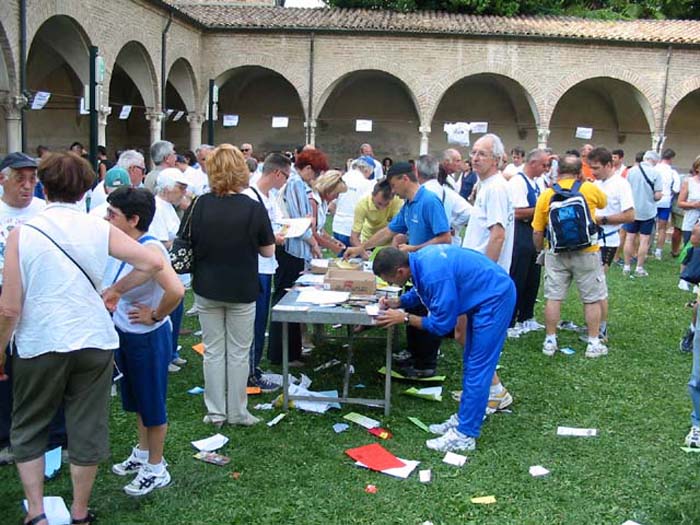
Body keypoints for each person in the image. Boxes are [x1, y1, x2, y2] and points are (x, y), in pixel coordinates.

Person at [0, 152, 163, 525]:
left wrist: (0, 350)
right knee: (87, 425)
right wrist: (115, 290)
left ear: (44, 186)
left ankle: (37, 512)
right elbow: (153, 262)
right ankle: (79, 512)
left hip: (41, 339)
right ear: (86, 188)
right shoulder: (98, 227)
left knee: (29, 424)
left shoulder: (23, 233)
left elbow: (9, 308)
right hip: (93, 337)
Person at [373, 246, 515, 452]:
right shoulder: (419, 261)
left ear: (400, 271)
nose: (390, 285)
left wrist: (404, 318)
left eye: (390, 280)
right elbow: (422, 291)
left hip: (495, 299)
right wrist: (399, 302)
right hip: (486, 293)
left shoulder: (433, 274)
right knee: (471, 363)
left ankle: (465, 435)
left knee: (478, 367)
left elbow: (442, 325)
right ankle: (464, 419)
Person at [189, 144, 275, 427]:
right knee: (238, 352)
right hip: (241, 287)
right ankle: (237, 411)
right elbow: (268, 251)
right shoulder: (253, 207)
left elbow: (187, 240)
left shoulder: (199, 204)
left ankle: (215, 411)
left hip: (207, 285)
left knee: (213, 351)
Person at [106, 187, 184, 496]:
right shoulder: (125, 246)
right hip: (126, 334)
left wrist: (154, 315)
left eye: (112, 214)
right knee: (138, 399)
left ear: (134, 219)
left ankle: (156, 466)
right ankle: (142, 452)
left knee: (152, 402)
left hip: (148, 338)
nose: (106, 219)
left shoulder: (151, 249)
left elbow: (176, 291)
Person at [345, 162, 451, 378]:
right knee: (414, 309)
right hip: (414, 269)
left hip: (432, 269)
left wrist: (413, 248)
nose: (392, 191)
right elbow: (388, 231)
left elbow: (445, 238)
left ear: (405, 179)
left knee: (426, 313)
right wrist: (361, 247)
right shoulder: (409, 205)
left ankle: (426, 364)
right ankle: (414, 354)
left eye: (394, 185)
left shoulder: (429, 201)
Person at [0, 153, 51, 467]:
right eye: (20, 179)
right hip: (3, 296)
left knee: (45, 367)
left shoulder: (45, 211)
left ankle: (54, 435)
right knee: (3, 368)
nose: (28, 186)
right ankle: (6, 436)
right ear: (2, 179)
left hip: (39, 295)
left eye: (33, 179)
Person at [532, 154, 609, 358]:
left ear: (557, 171)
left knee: (553, 297)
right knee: (591, 299)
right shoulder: (589, 189)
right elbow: (603, 203)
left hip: (556, 252)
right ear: (580, 172)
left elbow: (537, 230)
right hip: (587, 251)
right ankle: (593, 342)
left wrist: (540, 250)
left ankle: (550, 340)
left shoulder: (547, 194)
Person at [458, 133, 513, 412]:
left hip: (483, 278)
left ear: (497, 159)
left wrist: (484, 276)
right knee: (463, 332)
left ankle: (495, 390)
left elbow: (498, 235)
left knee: (472, 336)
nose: (475, 158)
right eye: (474, 152)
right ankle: (479, 387)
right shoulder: (487, 186)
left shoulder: (495, 188)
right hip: (476, 274)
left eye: (482, 153)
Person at [267, 149, 328, 367]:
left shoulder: (299, 184)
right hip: (290, 250)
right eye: (316, 172)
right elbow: (300, 220)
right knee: (284, 301)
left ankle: (293, 351)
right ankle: (280, 353)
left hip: (295, 249)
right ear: (308, 168)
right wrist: (314, 243)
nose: (316, 177)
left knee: (292, 301)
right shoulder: (295, 184)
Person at [242, 153, 289, 392]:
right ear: (277, 173)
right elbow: (250, 233)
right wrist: (273, 238)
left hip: (267, 264)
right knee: (254, 322)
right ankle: (249, 374)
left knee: (261, 322)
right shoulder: (250, 196)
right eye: (286, 176)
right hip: (256, 266)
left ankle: (254, 367)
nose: (286, 182)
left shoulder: (269, 197)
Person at [588, 147, 634, 343]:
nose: (593, 172)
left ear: (609, 165)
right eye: (591, 168)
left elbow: (630, 215)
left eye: (596, 168)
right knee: (591, 284)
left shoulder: (621, 185)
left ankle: (601, 329)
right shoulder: (595, 183)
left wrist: (602, 219)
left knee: (598, 285)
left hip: (607, 239)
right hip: (592, 239)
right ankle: (594, 324)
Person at [150, 168, 190, 373]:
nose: (183, 192)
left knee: (176, 314)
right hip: (167, 272)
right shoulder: (157, 208)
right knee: (168, 316)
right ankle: (165, 356)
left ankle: (172, 352)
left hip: (176, 271)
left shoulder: (168, 207)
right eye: (180, 188)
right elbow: (160, 242)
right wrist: (183, 243)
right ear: (167, 188)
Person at [507, 148, 549, 337]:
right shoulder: (517, 182)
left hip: (535, 235)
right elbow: (517, 212)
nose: (546, 169)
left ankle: (527, 316)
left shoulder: (538, 182)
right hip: (521, 235)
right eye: (543, 165)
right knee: (518, 277)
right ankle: (510, 320)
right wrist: (541, 210)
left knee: (533, 277)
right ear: (533, 163)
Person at [416, 154, 471, 246]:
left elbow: (469, 212)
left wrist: (453, 225)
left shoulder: (422, 193)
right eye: (457, 161)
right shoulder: (447, 191)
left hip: (431, 243)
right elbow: (469, 211)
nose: (459, 164)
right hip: (447, 244)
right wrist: (453, 225)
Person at [623, 150, 662, 277]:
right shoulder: (656, 173)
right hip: (648, 211)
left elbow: (626, 189)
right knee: (644, 240)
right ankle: (639, 268)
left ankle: (626, 266)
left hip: (632, 210)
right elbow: (657, 195)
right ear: (655, 161)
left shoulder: (631, 171)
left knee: (629, 237)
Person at [331, 158, 375, 250]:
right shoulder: (367, 184)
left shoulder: (342, 179)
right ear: (366, 170)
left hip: (337, 226)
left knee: (341, 256)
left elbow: (331, 206)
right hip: (354, 230)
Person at [349, 180, 403, 248]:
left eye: (386, 204)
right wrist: (362, 250)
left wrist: (392, 250)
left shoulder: (397, 201)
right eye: (379, 203)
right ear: (372, 195)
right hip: (368, 241)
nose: (382, 208)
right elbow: (354, 237)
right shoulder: (362, 205)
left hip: (389, 242)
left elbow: (398, 230)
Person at [311, 170, 348, 255]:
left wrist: (333, 240)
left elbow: (320, 229)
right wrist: (332, 246)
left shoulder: (323, 202)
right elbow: (312, 232)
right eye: (336, 193)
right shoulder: (313, 202)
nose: (337, 197)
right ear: (329, 189)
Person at [655, 148, 681, 260]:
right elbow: (676, 188)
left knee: (649, 226)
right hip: (665, 201)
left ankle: (646, 248)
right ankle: (658, 251)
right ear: (671, 159)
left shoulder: (654, 169)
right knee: (662, 228)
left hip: (653, 200)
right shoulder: (672, 172)